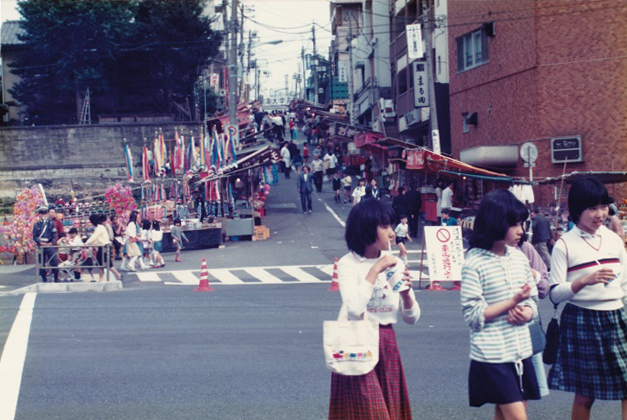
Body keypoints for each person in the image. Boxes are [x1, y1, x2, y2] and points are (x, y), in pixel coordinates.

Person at [328, 198, 420, 420]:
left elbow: (412, 317)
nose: (391, 233)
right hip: (356, 339)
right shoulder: (348, 264)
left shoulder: (395, 263)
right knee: (372, 412)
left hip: (386, 341)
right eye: (385, 226)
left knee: (389, 409)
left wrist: (407, 295)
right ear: (367, 228)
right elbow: (353, 309)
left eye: (391, 225)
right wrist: (376, 269)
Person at [547, 177, 627, 420]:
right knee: (585, 394)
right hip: (583, 318)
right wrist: (584, 281)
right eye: (592, 208)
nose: (599, 214)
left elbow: (624, 279)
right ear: (577, 210)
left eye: (603, 206)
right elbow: (554, 293)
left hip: (617, 315)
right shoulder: (564, 245)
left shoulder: (613, 239)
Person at [461, 189, 540, 418]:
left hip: (520, 350)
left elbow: (533, 300)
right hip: (492, 353)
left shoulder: (518, 257)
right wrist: (512, 302)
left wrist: (527, 312)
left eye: (521, 224)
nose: (520, 231)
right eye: (514, 224)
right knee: (517, 416)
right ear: (496, 223)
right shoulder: (474, 262)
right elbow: (473, 316)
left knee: (505, 414)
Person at [517, 231, 551, 398]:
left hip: (526, 328)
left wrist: (533, 274)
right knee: (504, 395)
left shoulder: (525, 248)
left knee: (524, 391)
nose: (519, 230)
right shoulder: (480, 254)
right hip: (495, 336)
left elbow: (544, 289)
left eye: (520, 223)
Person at [85, 214, 122, 282]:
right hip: (102, 247)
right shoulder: (100, 227)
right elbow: (96, 238)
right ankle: (101, 278)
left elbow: (94, 237)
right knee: (100, 264)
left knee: (107, 264)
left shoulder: (100, 228)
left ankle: (117, 275)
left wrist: (86, 243)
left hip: (104, 247)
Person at [33, 206, 59, 283]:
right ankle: (44, 278)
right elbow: (35, 236)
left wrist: (51, 243)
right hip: (41, 246)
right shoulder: (36, 224)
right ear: (39, 215)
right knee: (41, 263)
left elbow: (54, 234)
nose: (43, 215)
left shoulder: (51, 224)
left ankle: (56, 278)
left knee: (54, 262)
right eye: (41, 214)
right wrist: (40, 242)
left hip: (49, 244)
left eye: (44, 213)